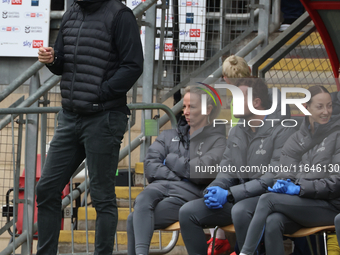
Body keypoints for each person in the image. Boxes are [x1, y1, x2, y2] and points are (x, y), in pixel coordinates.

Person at [36, 0, 143, 254]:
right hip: (71, 116)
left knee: (102, 196)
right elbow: (62, 63)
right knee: (47, 189)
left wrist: (102, 93)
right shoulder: (72, 12)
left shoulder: (120, 14)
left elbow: (133, 65)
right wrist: (52, 59)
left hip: (104, 118)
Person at [179, 78, 293, 255]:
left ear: (256, 103)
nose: (232, 102)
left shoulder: (283, 129)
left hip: (270, 200)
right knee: (188, 212)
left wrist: (231, 194)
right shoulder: (237, 131)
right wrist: (216, 188)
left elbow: (273, 177)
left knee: (241, 210)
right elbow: (227, 168)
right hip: (239, 198)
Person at [239, 85, 340, 255]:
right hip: (306, 201)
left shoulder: (337, 135)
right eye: (320, 106)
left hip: (331, 205)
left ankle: (246, 253)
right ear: (306, 108)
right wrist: (286, 183)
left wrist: (299, 185)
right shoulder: (296, 138)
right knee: (273, 221)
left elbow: (335, 182)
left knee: (267, 200)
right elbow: (285, 172)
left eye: (329, 105)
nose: (326, 111)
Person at [127, 86, 227, 255]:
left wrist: (171, 160)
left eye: (191, 107)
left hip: (190, 197)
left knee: (133, 219)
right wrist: (181, 176)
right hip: (163, 188)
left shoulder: (219, 141)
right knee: (142, 200)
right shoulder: (168, 135)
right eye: (184, 106)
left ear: (208, 109)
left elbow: (201, 173)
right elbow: (150, 167)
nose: (185, 112)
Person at [204, 55, 252, 255]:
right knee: (214, 185)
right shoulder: (241, 95)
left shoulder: (249, 95)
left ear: (225, 78)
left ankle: (233, 245)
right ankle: (221, 240)